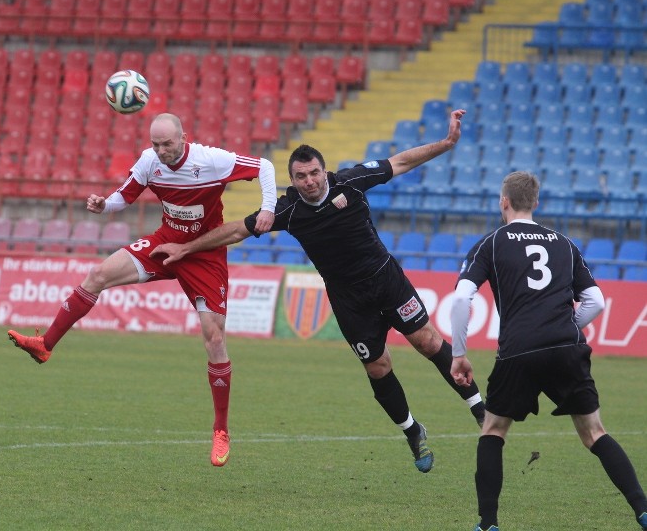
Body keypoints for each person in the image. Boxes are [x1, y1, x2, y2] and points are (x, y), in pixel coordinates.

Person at [151, 109, 486, 474]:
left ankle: (481, 412)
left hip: (386, 280)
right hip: (348, 299)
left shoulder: (351, 182)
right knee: (378, 366)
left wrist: (448, 142)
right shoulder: (288, 210)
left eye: (314, 173)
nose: (309, 181)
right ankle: (412, 430)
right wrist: (185, 249)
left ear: (324, 171)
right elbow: (235, 231)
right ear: (292, 181)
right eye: (300, 177)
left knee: (428, 342)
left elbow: (401, 161)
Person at [7, 113, 277, 468]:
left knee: (213, 338)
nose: (162, 151)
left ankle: (221, 430)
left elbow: (266, 166)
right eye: (156, 144)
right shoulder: (150, 162)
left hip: (205, 254)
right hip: (165, 244)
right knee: (98, 274)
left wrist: (269, 208)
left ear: (184, 138)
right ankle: (45, 346)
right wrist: (105, 205)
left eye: (168, 144)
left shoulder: (211, 161)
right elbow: (125, 196)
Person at [449, 171, 647, 531]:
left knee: (493, 430)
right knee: (594, 432)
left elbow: (462, 297)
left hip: (518, 349)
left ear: (503, 201)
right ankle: (642, 510)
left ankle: (488, 523)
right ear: (536, 203)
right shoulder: (564, 243)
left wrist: (458, 352)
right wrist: (569, 328)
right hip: (565, 347)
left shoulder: (490, 243)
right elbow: (596, 301)